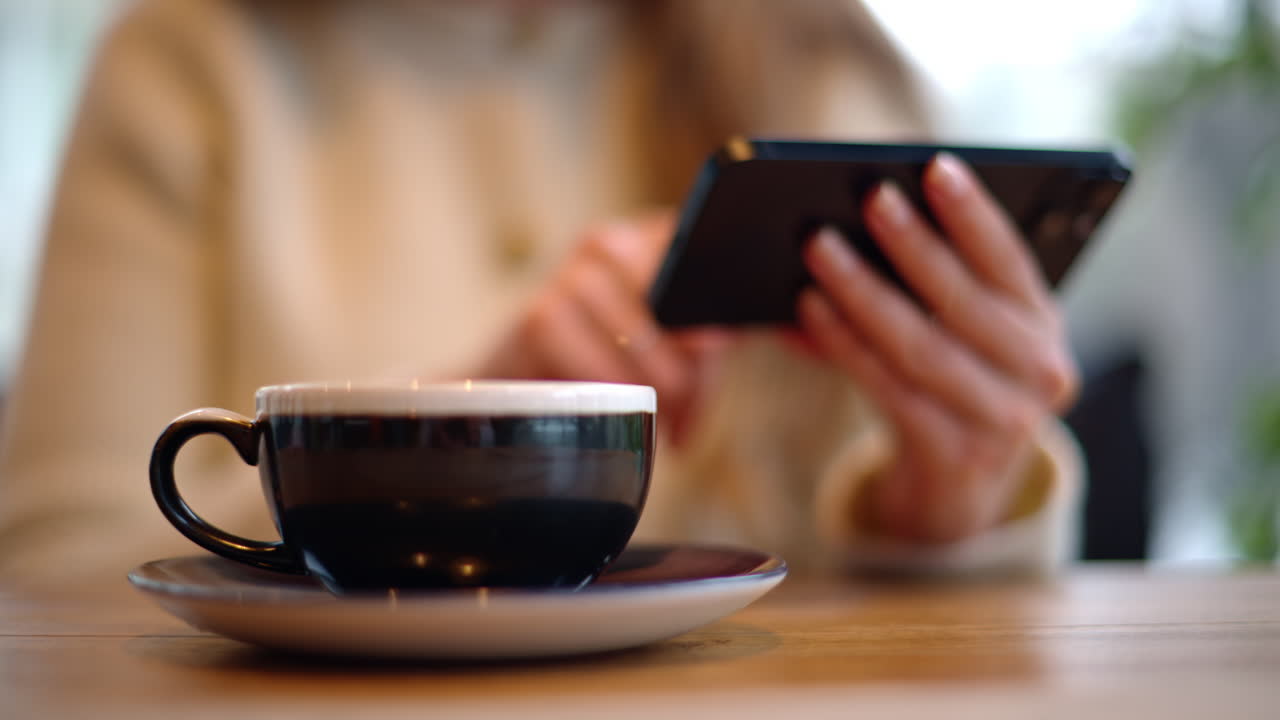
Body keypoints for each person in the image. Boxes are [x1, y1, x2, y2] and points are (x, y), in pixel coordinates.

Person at [0, 0, 1080, 588]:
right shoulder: (186, 61)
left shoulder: (830, 68)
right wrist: (446, 440)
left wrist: (946, 508)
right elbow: (50, 595)